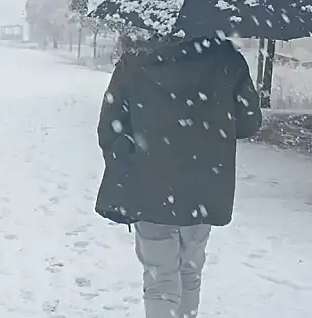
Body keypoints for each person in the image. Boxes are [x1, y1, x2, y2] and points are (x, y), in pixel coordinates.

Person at [95, 34, 262, 318]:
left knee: (161, 280)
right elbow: (248, 123)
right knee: (190, 272)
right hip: (205, 185)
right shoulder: (227, 60)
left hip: (149, 186)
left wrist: (133, 154)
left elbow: (109, 129)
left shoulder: (135, 61)